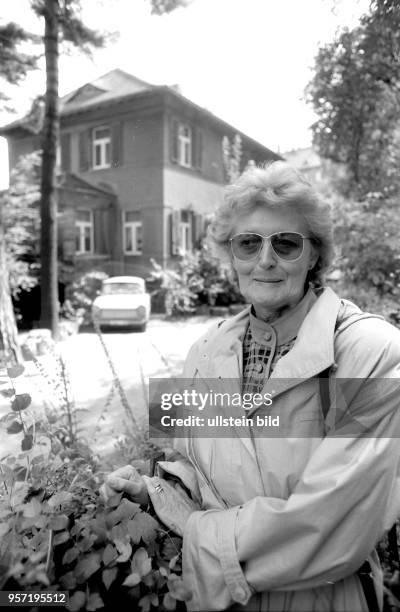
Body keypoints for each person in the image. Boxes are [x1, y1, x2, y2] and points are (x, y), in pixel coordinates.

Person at [102, 162, 400, 611]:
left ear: (314, 255)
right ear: (232, 256)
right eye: (248, 243)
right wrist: (151, 493)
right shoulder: (201, 351)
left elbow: (330, 528)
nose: (265, 260)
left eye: (285, 243)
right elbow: (186, 467)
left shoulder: (372, 353)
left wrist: (196, 530)